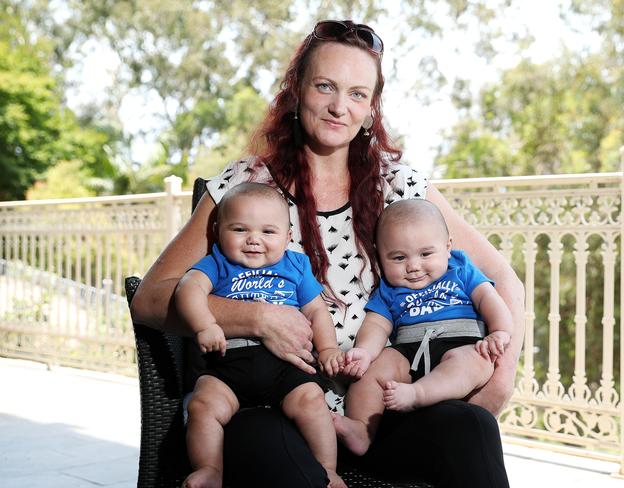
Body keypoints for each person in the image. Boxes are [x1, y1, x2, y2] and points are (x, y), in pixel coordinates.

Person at [131, 19, 524, 487]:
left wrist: (500, 379)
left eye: (358, 94)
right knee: (271, 450)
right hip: (268, 402)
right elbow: (149, 298)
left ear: (371, 107)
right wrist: (253, 318)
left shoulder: (396, 183)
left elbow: (503, 278)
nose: (341, 106)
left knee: (471, 428)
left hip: (374, 413)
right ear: (296, 91)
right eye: (325, 86)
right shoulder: (246, 185)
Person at [175, 182, 347, 487]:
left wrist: (329, 348)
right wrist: (205, 324)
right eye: (240, 229)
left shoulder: (295, 265)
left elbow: (317, 311)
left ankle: (328, 469)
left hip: (288, 368)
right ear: (218, 231)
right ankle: (210, 468)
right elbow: (188, 288)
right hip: (229, 364)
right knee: (203, 406)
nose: (254, 240)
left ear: (288, 236)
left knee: (312, 401)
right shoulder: (217, 263)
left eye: (268, 232)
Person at [333, 199, 513, 456]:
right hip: (409, 353)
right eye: (398, 258)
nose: (413, 266)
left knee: (473, 361)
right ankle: (362, 429)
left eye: (426, 254)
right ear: (380, 256)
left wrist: (499, 332)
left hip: (461, 344)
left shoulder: (460, 269)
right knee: (373, 371)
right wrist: (364, 352)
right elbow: (377, 324)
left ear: (448, 246)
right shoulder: (389, 288)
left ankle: (417, 394)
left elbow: (489, 299)